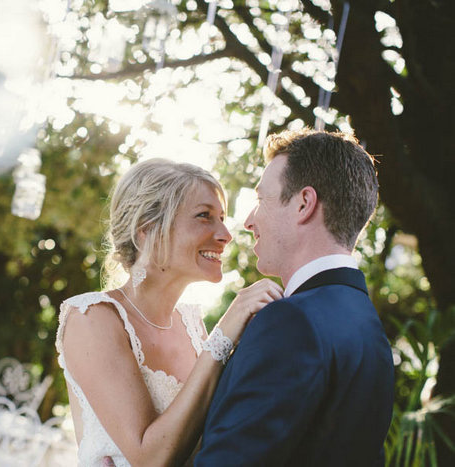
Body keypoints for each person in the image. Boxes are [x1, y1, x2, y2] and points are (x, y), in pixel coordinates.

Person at [55, 158, 284, 466]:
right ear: (147, 230)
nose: (225, 234)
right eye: (204, 216)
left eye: (221, 217)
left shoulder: (192, 325)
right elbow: (151, 459)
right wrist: (224, 333)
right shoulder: (92, 317)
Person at [195, 129, 395, 466]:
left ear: (304, 203)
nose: (247, 222)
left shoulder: (290, 321)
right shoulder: (368, 327)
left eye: (260, 200)